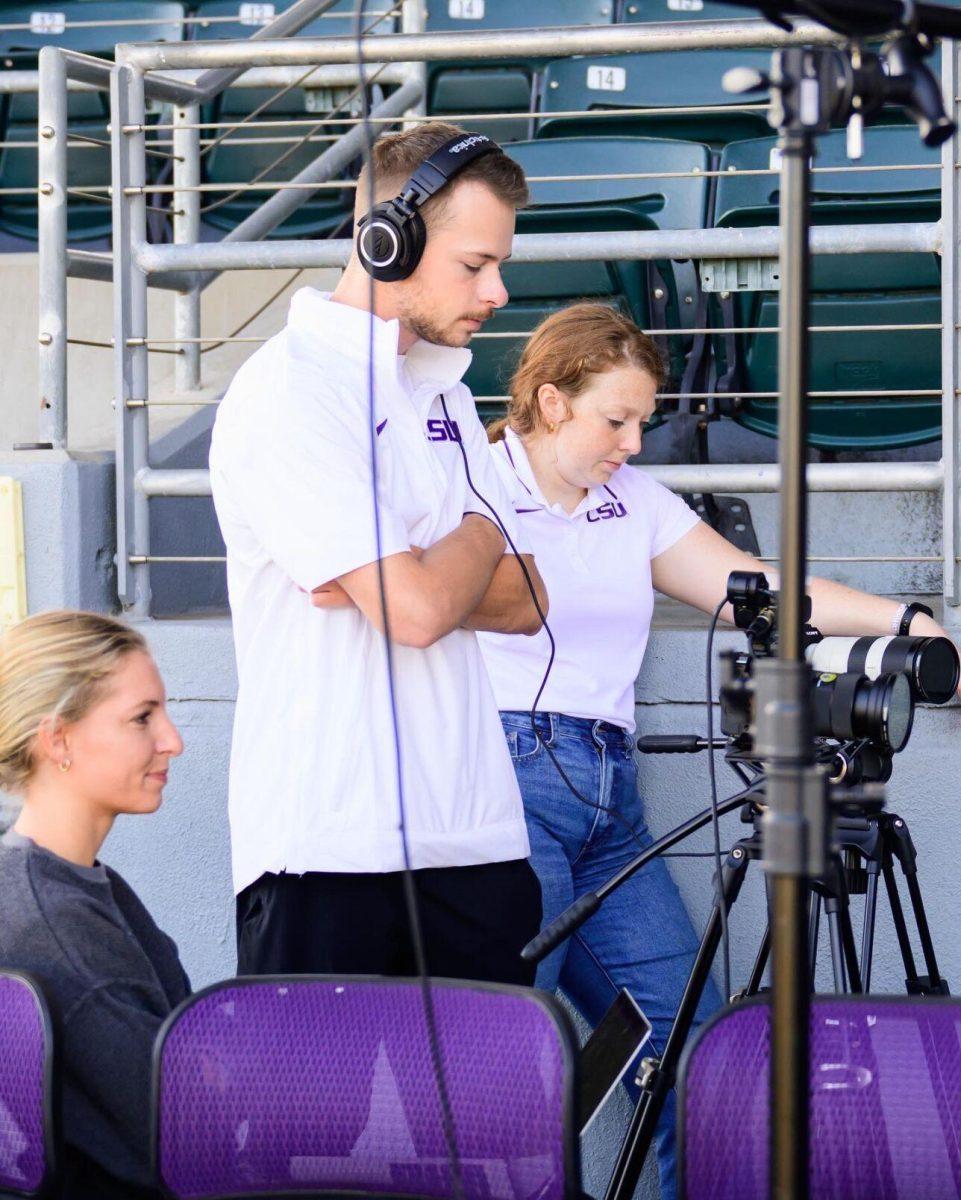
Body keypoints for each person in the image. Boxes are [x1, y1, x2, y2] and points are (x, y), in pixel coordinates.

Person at [476, 302, 959, 1200]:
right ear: (550, 401)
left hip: (607, 804)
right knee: (510, 1051)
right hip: (505, 781)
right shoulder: (471, 480)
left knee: (691, 1050)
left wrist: (909, 621)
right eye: (614, 420)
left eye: (643, 422)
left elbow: (760, 593)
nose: (632, 441)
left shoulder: (635, 503)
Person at [209, 122, 548, 983]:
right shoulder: (288, 391)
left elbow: (529, 600)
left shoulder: (450, 392)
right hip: (327, 847)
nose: (498, 291)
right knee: (310, 1123)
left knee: (491, 1122)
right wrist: (479, 533)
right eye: (474, 266)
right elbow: (422, 610)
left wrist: (413, 572)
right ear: (384, 242)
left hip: (475, 839)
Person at [0, 610, 188, 1200]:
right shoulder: (55, 921)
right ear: (57, 739)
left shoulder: (56, 879)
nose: (173, 742)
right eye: (142, 718)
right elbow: (187, 1124)